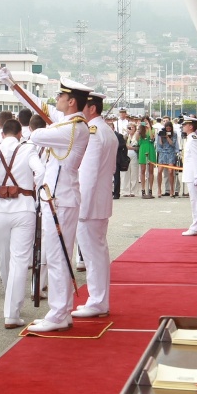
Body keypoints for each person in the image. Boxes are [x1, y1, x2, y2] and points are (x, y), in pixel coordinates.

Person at [0, 69, 91, 332]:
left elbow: (35, 135)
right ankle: (61, 311)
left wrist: (45, 124)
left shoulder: (73, 128)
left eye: (60, 95)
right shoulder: (68, 122)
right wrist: (12, 84)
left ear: (71, 102)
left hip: (60, 199)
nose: (56, 99)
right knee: (57, 255)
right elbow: (37, 105)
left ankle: (59, 313)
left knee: (57, 256)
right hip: (57, 197)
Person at [0, 119, 44, 328]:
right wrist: (37, 195)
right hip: (24, 207)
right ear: (20, 133)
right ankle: (12, 312)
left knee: (3, 256)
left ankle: (9, 296)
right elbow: (41, 171)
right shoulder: (28, 149)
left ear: (2, 134)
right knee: (20, 259)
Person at [73, 92, 117, 318]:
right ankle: (99, 300)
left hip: (90, 205)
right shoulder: (105, 130)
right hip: (100, 201)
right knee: (97, 253)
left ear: (91, 108)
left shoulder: (93, 133)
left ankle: (97, 301)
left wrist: (82, 209)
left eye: (82, 107)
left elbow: (88, 175)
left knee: (93, 255)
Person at [180, 117, 197, 236]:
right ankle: (196, 226)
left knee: (196, 201)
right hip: (190, 174)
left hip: (193, 175)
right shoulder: (190, 138)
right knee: (194, 200)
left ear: (190, 126)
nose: (183, 126)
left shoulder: (193, 139)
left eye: (185, 124)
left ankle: (196, 227)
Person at [156, 120, 179, 198]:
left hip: (170, 153)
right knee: (159, 171)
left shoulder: (174, 134)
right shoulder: (160, 134)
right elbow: (160, 145)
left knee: (170, 171)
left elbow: (172, 144)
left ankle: (172, 189)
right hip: (163, 153)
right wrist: (161, 136)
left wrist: (167, 137)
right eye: (167, 128)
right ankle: (159, 189)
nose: (168, 130)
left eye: (169, 128)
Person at [137, 119, 156, 198]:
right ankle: (143, 190)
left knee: (151, 170)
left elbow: (152, 138)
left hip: (150, 148)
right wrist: (138, 128)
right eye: (144, 121)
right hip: (143, 148)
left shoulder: (152, 129)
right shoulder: (140, 130)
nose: (145, 123)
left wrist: (149, 128)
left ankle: (150, 189)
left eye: (146, 121)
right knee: (142, 170)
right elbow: (137, 139)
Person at [123, 124, 139, 197]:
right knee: (126, 173)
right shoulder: (126, 136)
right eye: (129, 127)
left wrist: (131, 148)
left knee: (134, 173)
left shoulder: (137, 135)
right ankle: (126, 191)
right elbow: (123, 144)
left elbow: (138, 146)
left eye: (133, 127)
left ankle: (134, 191)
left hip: (134, 154)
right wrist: (126, 133)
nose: (131, 129)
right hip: (126, 154)